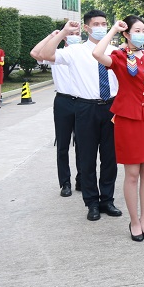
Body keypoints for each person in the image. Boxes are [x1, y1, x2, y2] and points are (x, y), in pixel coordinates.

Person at [39, 11, 122, 222]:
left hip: (111, 107)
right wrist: (63, 33)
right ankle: (91, 202)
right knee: (87, 157)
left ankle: (107, 199)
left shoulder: (115, 51)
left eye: (104, 24)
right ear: (87, 28)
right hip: (85, 107)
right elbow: (46, 54)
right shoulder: (75, 51)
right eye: (96, 24)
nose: (101, 27)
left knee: (110, 158)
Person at [93, 16, 144, 242]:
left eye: (143, 30)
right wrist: (113, 29)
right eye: (137, 30)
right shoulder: (119, 56)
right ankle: (134, 221)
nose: (141, 34)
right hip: (128, 119)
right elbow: (97, 53)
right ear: (126, 34)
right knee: (132, 174)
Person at [31, 28, 82, 197]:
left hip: (82, 101)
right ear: (64, 37)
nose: (74, 37)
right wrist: (52, 36)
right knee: (62, 144)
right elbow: (35, 53)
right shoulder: (55, 54)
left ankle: (81, 178)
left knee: (83, 144)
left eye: (77, 34)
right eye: (71, 34)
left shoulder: (84, 53)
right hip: (63, 101)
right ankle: (65, 182)